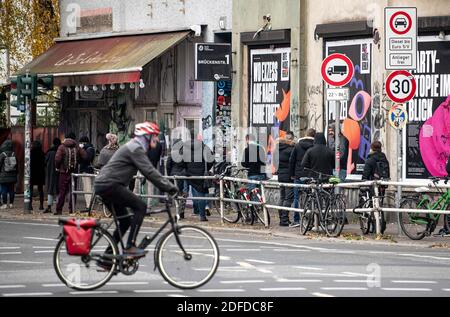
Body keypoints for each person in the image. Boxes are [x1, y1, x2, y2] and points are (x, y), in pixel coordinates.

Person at [94, 122, 178, 257]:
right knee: (141, 206)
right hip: (110, 185)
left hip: (106, 185)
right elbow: (150, 171)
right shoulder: (135, 148)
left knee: (125, 221)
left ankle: (108, 257)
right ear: (147, 136)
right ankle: (130, 246)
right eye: (154, 136)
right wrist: (171, 188)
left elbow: (147, 170)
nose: (156, 139)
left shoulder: (134, 147)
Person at [54, 132, 87, 215]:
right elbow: (85, 157)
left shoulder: (61, 147)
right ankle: (71, 209)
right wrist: (79, 161)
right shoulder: (77, 147)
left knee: (62, 191)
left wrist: (58, 167)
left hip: (63, 172)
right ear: (74, 138)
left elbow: (57, 159)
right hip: (74, 172)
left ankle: (59, 210)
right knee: (73, 191)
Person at [182, 137, 214, 221]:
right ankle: (202, 216)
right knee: (201, 195)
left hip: (189, 175)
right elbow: (212, 159)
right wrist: (206, 168)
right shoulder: (204, 147)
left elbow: (182, 161)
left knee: (186, 193)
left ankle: (181, 214)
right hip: (201, 174)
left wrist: (187, 169)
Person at [289, 128, 316, 227]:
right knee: (311, 197)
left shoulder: (297, 145)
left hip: (298, 175)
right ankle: (310, 219)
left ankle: (297, 219)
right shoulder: (315, 146)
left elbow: (292, 160)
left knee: (297, 197)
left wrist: (291, 174)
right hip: (310, 175)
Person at [272, 131, 295, 226]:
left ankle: (281, 217)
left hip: (280, 175)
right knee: (288, 198)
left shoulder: (277, 149)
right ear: (291, 139)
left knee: (282, 197)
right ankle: (284, 219)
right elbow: (292, 163)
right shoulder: (291, 149)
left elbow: (274, 162)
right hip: (288, 176)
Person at [167, 138, 187, 218]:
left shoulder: (172, 153)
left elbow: (168, 165)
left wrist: (169, 175)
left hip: (173, 175)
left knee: (175, 194)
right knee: (182, 193)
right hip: (182, 176)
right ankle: (181, 211)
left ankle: (177, 210)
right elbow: (187, 165)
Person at [79, 136, 96, 212]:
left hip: (86, 170)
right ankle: (88, 205)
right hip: (87, 170)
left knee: (87, 188)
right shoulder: (90, 148)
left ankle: (88, 206)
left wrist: (81, 150)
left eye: (81, 143)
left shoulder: (88, 149)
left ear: (84, 143)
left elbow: (87, 159)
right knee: (87, 188)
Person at [44, 138, 61, 214]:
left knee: (50, 190)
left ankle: (49, 207)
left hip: (50, 173)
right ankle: (58, 207)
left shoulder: (49, 152)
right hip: (59, 173)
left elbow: (45, 162)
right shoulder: (61, 151)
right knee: (58, 190)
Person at [0, 140, 17, 210]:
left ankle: (4, 204)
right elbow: (17, 165)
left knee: (4, 190)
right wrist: (16, 173)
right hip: (13, 175)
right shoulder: (14, 154)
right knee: (11, 190)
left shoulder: (2, 155)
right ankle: (11, 204)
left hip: (3, 176)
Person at [29, 140, 46, 211]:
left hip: (32, 173)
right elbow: (44, 164)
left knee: (30, 189)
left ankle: (29, 205)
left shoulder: (30, 153)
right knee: (40, 189)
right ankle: (41, 205)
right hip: (40, 173)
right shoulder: (42, 153)